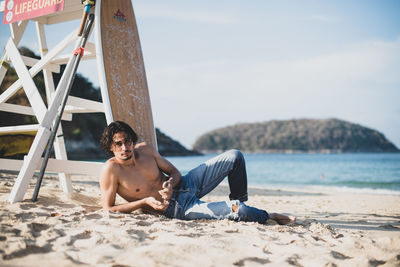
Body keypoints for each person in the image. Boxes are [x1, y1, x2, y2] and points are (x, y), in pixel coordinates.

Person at [99, 121, 293, 225]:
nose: (125, 147)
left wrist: (170, 183)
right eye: (118, 143)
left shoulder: (146, 150)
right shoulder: (111, 170)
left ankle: (240, 199)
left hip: (185, 185)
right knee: (238, 210)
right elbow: (108, 209)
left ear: (132, 140)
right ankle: (267, 214)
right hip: (177, 209)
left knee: (235, 156)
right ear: (110, 147)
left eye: (127, 141)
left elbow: (174, 172)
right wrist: (144, 202)